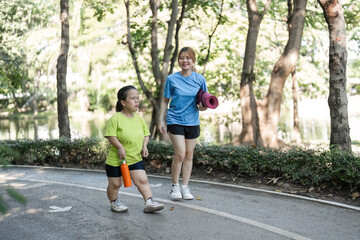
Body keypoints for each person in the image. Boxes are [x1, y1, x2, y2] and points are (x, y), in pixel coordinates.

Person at [158, 47, 208, 200]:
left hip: (192, 121)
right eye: (182, 58)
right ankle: (175, 186)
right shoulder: (172, 79)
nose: (185, 61)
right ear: (178, 60)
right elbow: (165, 101)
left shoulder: (200, 79)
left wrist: (203, 106)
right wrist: (161, 119)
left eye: (188, 58)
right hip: (175, 119)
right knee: (180, 153)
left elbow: (203, 104)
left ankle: (185, 186)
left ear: (193, 61)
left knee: (189, 154)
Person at [104, 85, 164, 213]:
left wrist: (144, 145)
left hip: (135, 158)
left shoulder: (139, 119)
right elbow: (110, 135)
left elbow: (146, 134)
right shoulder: (116, 119)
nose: (136, 101)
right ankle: (114, 202)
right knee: (115, 184)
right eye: (132, 98)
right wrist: (120, 147)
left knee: (142, 179)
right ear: (123, 102)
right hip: (117, 160)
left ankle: (149, 201)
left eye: (137, 98)